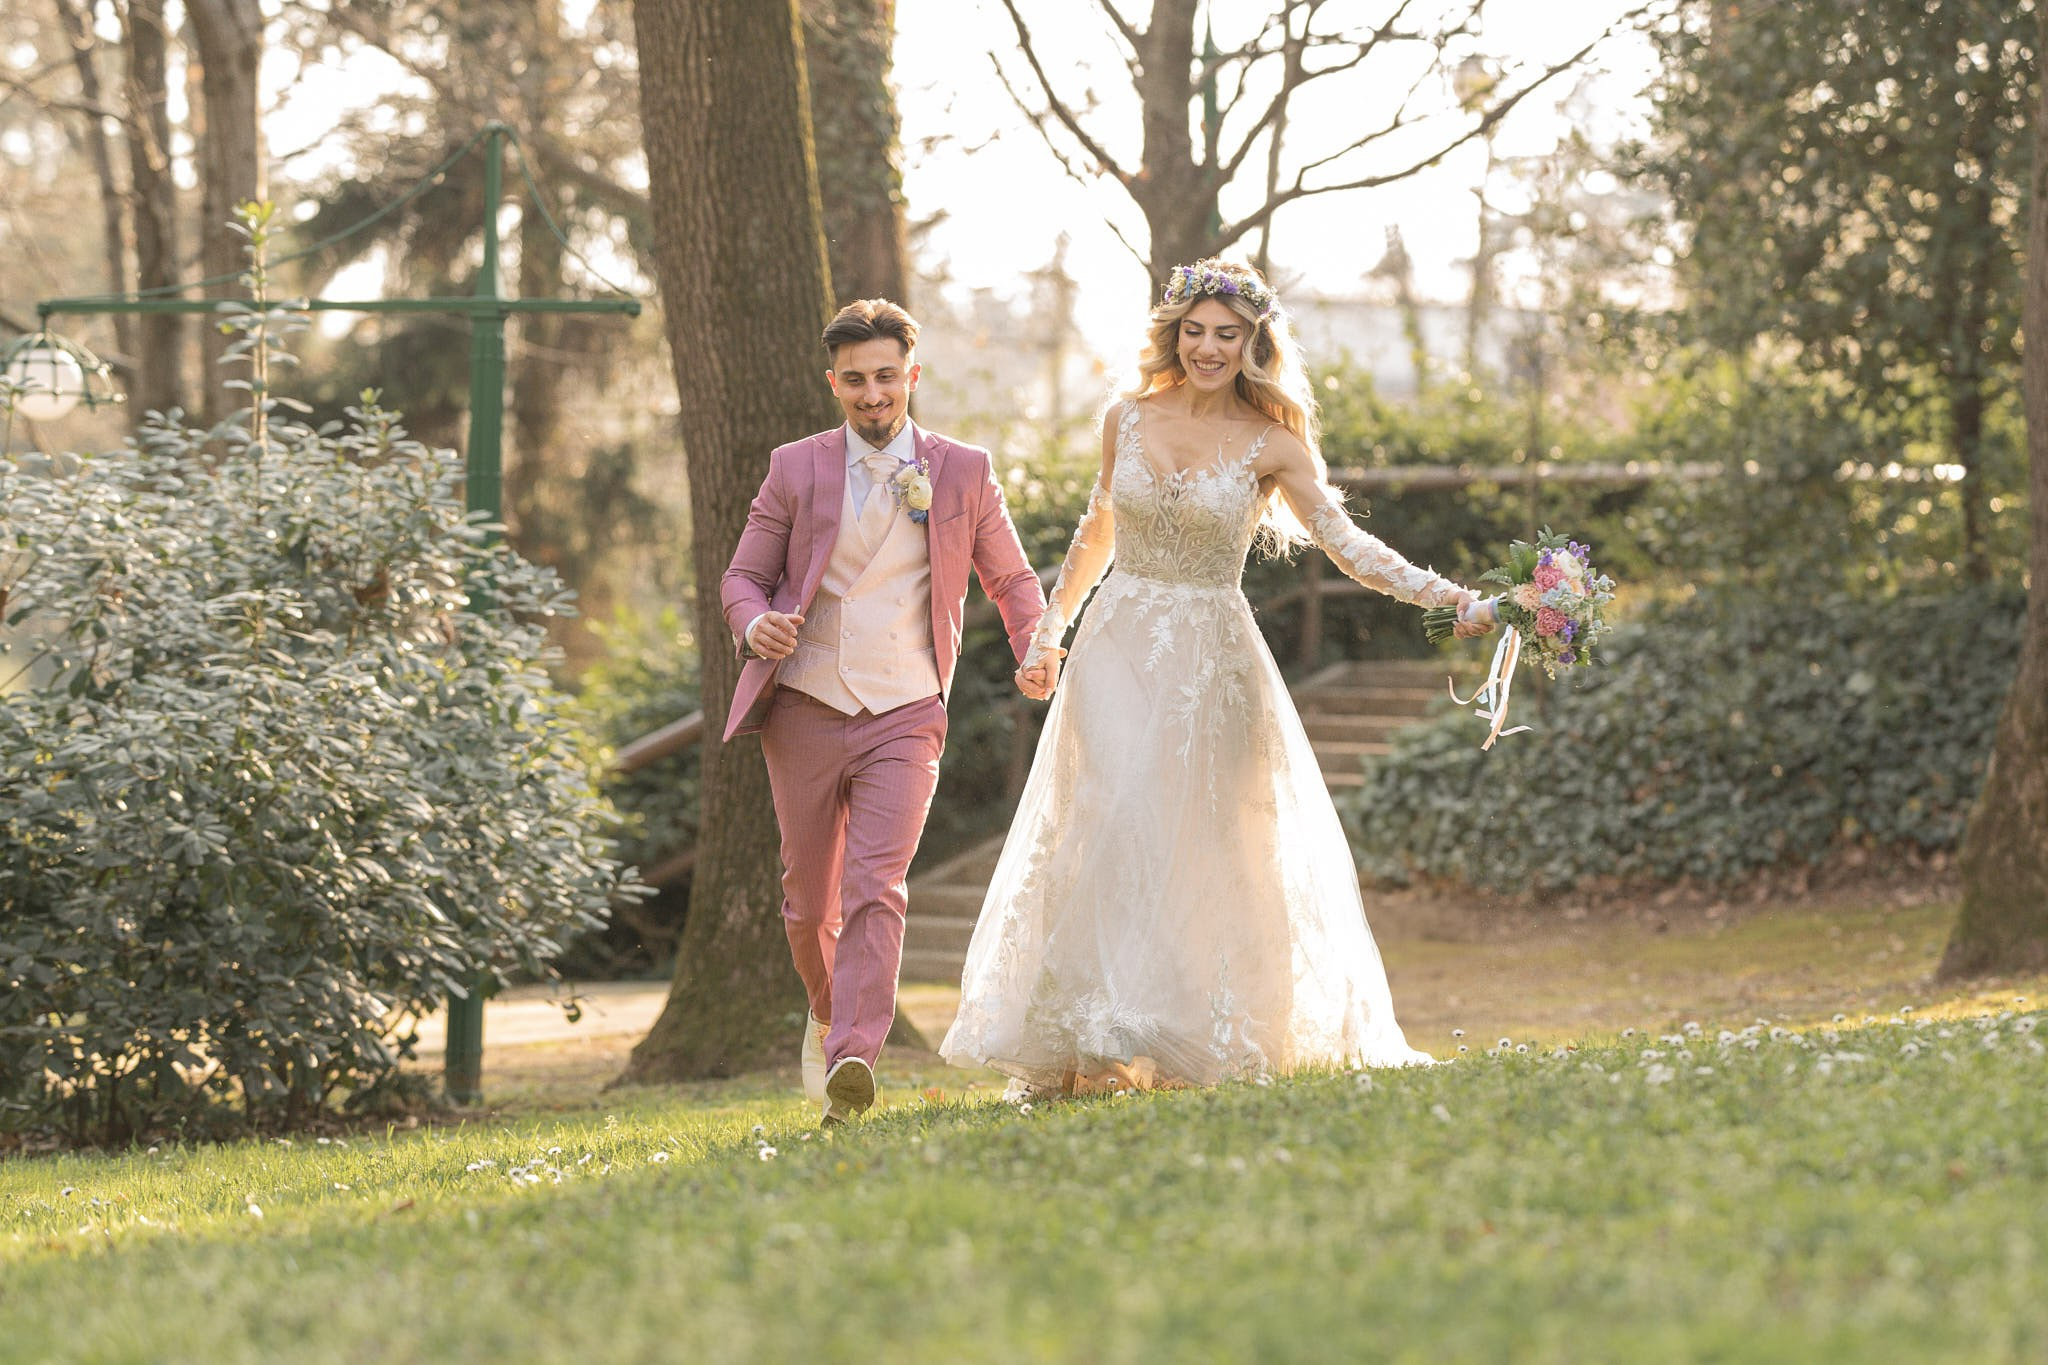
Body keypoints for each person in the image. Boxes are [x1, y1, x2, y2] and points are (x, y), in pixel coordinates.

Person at [940, 259, 1494, 1097]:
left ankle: (1171, 1028)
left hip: (1211, 655)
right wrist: (1050, 632)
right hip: (1116, 643)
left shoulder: (1274, 441)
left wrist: (1451, 598)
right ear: (1173, 333)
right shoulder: (1124, 417)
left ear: (1252, 343)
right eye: (1194, 331)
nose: (1207, 348)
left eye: (1226, 335)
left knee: (1199, 839)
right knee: (1110, 812)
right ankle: (1090, 1032)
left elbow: (1345, 543)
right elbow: (1097, 529)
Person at [722, 298, 1050, 1124]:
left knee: (879, 885)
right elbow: (741, 579)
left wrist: (1033, 647)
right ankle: (830, 1009)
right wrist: (755, 623)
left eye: (887, 377)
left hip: (906, 707)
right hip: (806, 703)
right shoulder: (795, 467)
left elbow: (1010, 580)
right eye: (856, 380)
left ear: (912, 376)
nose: (874, 395)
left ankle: (853, 1060)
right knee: (808, 902)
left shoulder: (963, 471)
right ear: (834, 383)